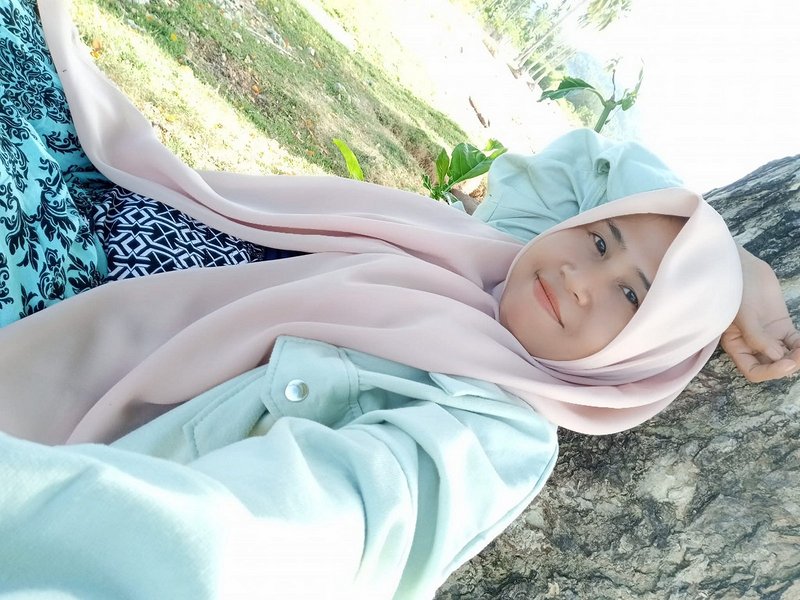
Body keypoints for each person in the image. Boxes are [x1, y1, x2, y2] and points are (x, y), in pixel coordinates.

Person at [0, 1, 797, 599]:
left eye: (632, 297)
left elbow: (276, 538)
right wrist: (731, 260)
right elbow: (587, 162)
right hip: (118, 217)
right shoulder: (491, 260)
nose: (580, 279)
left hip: (66, 333)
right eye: (598, 240)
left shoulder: (494, 430)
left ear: (647, 354)